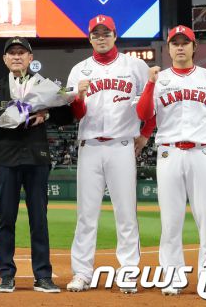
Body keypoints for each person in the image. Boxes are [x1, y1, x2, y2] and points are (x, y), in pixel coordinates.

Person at [136, 25, 206, 296]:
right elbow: (144, 114)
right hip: (169, 153)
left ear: (194, 47)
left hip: (202, 153)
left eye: (185, 42)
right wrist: (150, 83)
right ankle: (173, 277)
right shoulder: (159, 80)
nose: (180, 47)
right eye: (175, 43)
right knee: (170, 221)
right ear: (168, 49)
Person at [65, 15, 154, 293]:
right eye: (96, 34)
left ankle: (128, 272)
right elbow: (77, 114)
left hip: (121, 145)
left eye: (106, 33)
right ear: (90, 38)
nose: (101, 38)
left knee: (126, 214)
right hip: (90, 146)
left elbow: (151, 104)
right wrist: (78, 97)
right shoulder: (79, 69)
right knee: (86, 215)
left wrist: (146, 133)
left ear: (115, 35)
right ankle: (82, 273)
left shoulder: (135, 66)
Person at [0, 37, 73, 294]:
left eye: (22, 52)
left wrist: (47, 113)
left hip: (36, 157)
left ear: (30, 58)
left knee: (39, 219)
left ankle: (42, 276)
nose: (17, 56)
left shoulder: (44, 85)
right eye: (12, 53)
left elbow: (67, 114)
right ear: (5, 59)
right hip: (7, 158)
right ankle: (6, 275)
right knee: (6, 219)